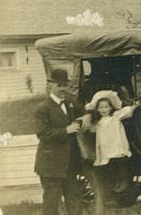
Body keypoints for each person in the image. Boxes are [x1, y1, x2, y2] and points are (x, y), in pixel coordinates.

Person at [34, 67, 82, 215]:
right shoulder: (43, 108)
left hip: (69, 163)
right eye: (59, 85)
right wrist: (66, 131)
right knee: (51, 203)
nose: (63, 89)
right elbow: (42, 133)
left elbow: (80, 118)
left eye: (65, 85)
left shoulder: (69, 104)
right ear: (50, 86)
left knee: (73, 200)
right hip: (51, 164)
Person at [82, 89, 137, 191]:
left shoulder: (115, 117)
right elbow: (92, 129)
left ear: (111, 108)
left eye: (106, 107)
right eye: (101, 107)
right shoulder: (99, 122)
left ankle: (124, 180)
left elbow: (127, 112)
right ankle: (116, 182)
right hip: (106, 148)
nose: (104, 110)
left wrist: (134, 106)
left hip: (116, 145)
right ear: (97, 109)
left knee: (121, 162)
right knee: (110, 165)